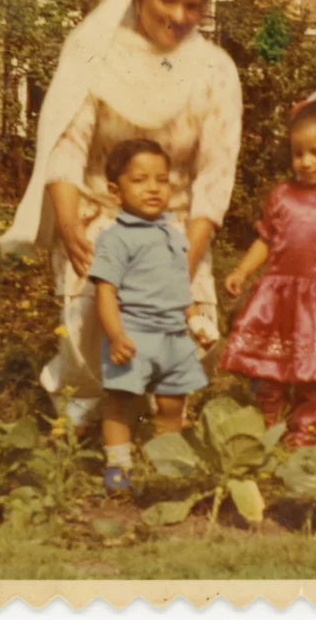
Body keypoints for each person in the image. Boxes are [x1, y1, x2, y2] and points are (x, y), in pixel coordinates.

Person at [0, 0, 242, 431]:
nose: (178, 16)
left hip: (175, 223)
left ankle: (165, 417)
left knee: (181, 329)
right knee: (94, 325)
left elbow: (215, 177)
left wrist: (178, 265)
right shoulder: (97, 56)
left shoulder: (215, 71)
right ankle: (88, 416)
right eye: (167, 0)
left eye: (192, 7)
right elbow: (68, 144)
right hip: (99, 212)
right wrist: (69, 224)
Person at [218, 100, 316, 448]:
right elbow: (267, 238)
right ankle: (261, 426)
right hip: (278, 297)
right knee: (268, 367)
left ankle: (303, 434)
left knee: (312, 371)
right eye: (298, 153)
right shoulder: (281, 195)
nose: (306, 162)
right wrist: (243, 271)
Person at [88, 139, 208, 492]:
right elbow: (105, 291)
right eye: (140, 180)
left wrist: (195, 317)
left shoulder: (174, 233)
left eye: (161, 179)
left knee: (173, 403)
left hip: (173, 336)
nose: (153, 188)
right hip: (135, 335)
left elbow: (178, 284)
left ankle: (164, 463)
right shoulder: (115, 238)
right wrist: (116, 336)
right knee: (121, 402)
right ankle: (118, 465)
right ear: (115, 191)